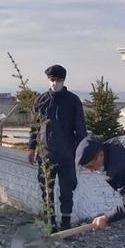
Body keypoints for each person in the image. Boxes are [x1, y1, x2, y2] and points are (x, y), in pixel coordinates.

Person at [28, 64, 87, 232]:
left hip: (67, 154)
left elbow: (80, 128)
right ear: (48, 80)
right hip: (46, 154)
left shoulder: (73, 101)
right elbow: (35, 126)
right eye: (52, 80)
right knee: (46, 189)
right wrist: (31, 148)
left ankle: (66, 224)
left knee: (67, 190)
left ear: (63, 80)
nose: (55, 83)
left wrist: (83, 152)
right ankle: (50, 222)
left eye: (58, 80)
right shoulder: (41, 100)